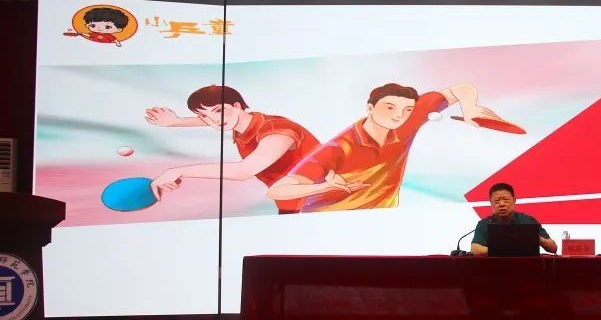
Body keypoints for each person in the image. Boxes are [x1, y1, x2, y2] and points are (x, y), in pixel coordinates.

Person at [269, 82, 516, 212]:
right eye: (390, 108)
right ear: (370, 108)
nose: (399, 115)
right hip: (330, 221)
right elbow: (277, 191)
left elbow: (462, 89)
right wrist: (325, 186)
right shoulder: (339, 148)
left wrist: (470, 109)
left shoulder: (409, 118)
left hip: (385, 219)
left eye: (407, 109)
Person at [144, 85, 321, 214]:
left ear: (237, 105)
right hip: (292, 202)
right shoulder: (242, 122)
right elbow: (212, 119)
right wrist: (175, 122)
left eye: (219, 110)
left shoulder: (277, 131)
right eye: (204, 115)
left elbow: (243, 171)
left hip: (323, 200)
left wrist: (177, 171)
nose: (214, 120)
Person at [470, 182, 558, 255]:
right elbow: (475, 249)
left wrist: (537, 238)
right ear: (491, 203)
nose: (501, 204)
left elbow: (553, 248)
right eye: (497, 201)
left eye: (506, 200)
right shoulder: (484, 223)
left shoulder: (527, 221)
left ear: (514, 200)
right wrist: (506, 250)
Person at [65, 7, 130, 46]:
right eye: (93, 25)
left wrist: (118, 44)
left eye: (107, 27)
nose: (99, 28)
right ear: (87, 25)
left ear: (118, 29)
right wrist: (81, 33)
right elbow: (88, 35)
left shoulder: (109, 36)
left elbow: (115, 40)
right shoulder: (93, 34)